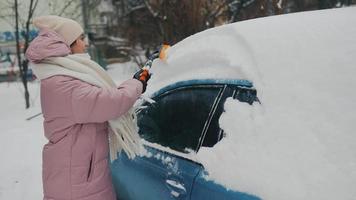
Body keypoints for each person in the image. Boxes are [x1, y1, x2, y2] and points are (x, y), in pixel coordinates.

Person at [25, 15, 149, 200]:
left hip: (78, 174)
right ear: (68, 45)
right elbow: (111, 102)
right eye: (81, 38)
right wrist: (137, 83)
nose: (86, 43)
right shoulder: (64, 84)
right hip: (76, 184)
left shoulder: (63, 77)